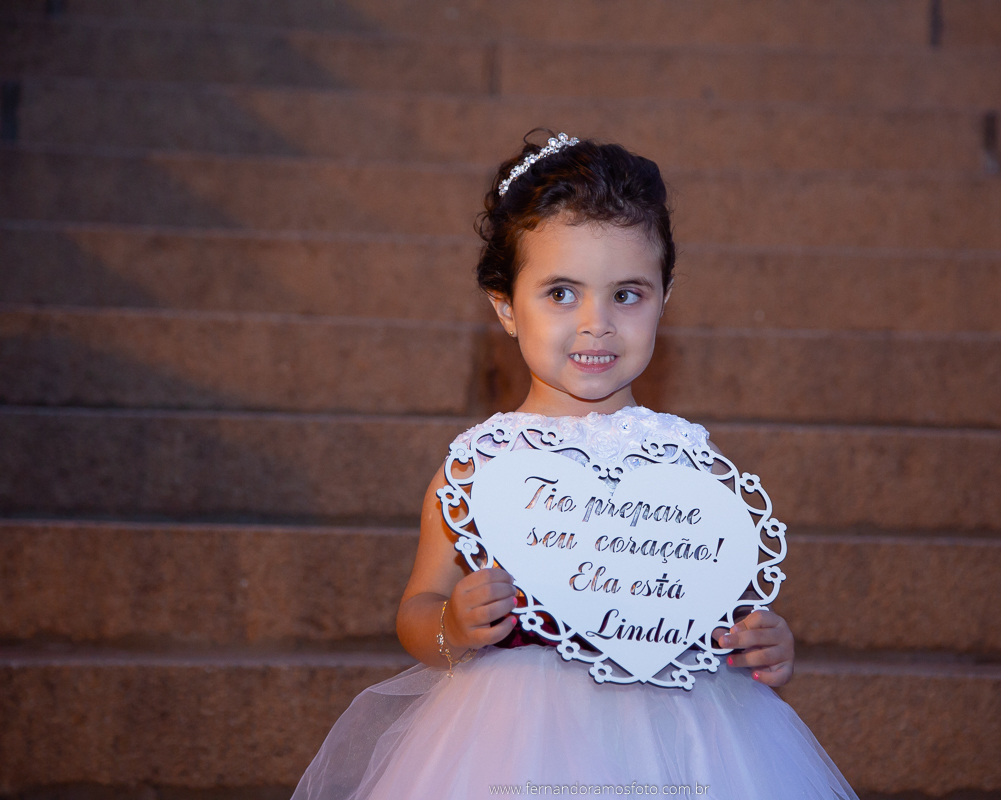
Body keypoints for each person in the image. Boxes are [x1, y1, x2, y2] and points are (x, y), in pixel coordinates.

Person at [290, 132, 858, 800]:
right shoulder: (480, 468)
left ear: (665, 298)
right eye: (561, 293)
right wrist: (450, 625)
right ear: (505, 307)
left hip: (681, 739)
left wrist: (760, 646)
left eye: (628, 294)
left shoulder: (687, 465)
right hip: (514, 738)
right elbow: (417, 606)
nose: (597, 323)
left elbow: (710, 606)